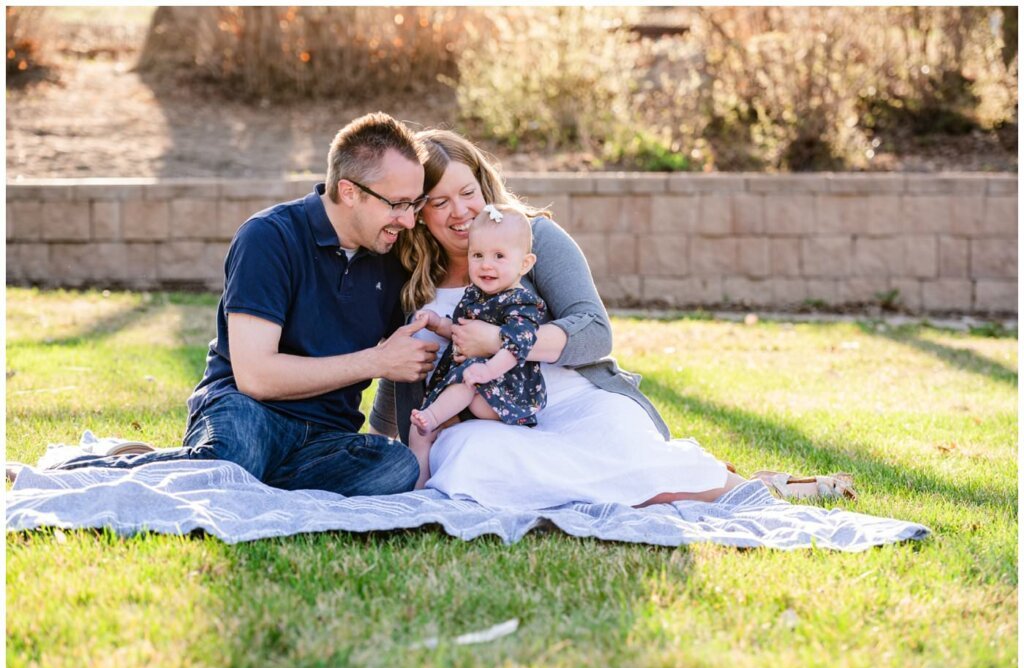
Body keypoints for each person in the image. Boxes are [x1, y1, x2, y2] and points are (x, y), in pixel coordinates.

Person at [369, 128, 857, 509]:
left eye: (469, 192)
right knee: (472, 459)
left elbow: (595, 330)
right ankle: (684, 482)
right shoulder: (412, 277)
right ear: (419, 211)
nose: (461, 211)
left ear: (484, 186)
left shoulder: (532, 239)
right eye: (440, 201)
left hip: (576, 399)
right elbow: (404, 368)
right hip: (494, 421)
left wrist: (500, 340)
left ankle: (740, 488)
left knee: (619, 448)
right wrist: (379, 440)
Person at [31, 112, 441, 497]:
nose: (408, 220)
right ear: (349, 191)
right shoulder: (268, 238)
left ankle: (215, 474)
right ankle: (76, 471)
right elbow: (256, 377)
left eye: (415, 204)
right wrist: (376, 361)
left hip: (327, 435)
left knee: (395, 468)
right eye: (397, 204)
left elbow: (406, 364)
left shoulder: (393, 258)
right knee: (237, 454)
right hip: (247, 411)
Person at [408, 203, 547, 488]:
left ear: (525, 263)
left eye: (499, 256)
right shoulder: (474, 294)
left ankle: (432, 417)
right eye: (478, 255)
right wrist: (437, 323)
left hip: (505, 394)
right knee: (417, 432)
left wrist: (487, 371)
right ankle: (418, 488)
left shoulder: (522, 302)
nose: (486, 264)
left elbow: (516, 346)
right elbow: (460, 331)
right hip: (469, 391)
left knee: (466, 378)